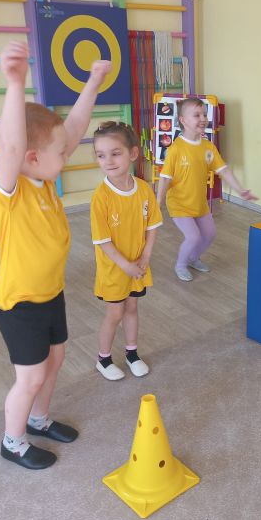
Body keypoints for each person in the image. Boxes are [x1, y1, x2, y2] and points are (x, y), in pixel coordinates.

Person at [0, 41, 111, 469]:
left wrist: (93, 83)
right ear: (33, 157)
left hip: (50, 293)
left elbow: (72, 127)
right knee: (32, 375)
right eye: (61, 153)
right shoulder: (7, 190)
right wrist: (15, 83)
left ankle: (38, 419)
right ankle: (13, 441)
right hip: (19, 303)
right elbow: (11, 147)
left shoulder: (43, 178)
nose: (68, 154)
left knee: (55, 360)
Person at [91, 121, 163, 381]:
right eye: (101, 155)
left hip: (137, 266)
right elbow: (103, 241)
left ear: (132, 153)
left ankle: (132, 354)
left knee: (132, 308)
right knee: (115, 313)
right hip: (114, 269)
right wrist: (125, 266)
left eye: (115, 153)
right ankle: (103, 359)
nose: (108, 161)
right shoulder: (101, 197)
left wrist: (145, 257)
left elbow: (152, 226)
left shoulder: (144, 189)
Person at [156, 98, 257, 281]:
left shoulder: (208, 148)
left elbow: (223, 170)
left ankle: (193, 258)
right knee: (193, 237)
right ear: (183, 120)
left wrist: (240, 190)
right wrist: (158, 202)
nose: (203, 118)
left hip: (199, 203)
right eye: (197, 115)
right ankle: (181, 264)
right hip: (179, 204)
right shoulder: (176, 149)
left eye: (204, 114)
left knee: (210, 235)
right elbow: (165, 177)